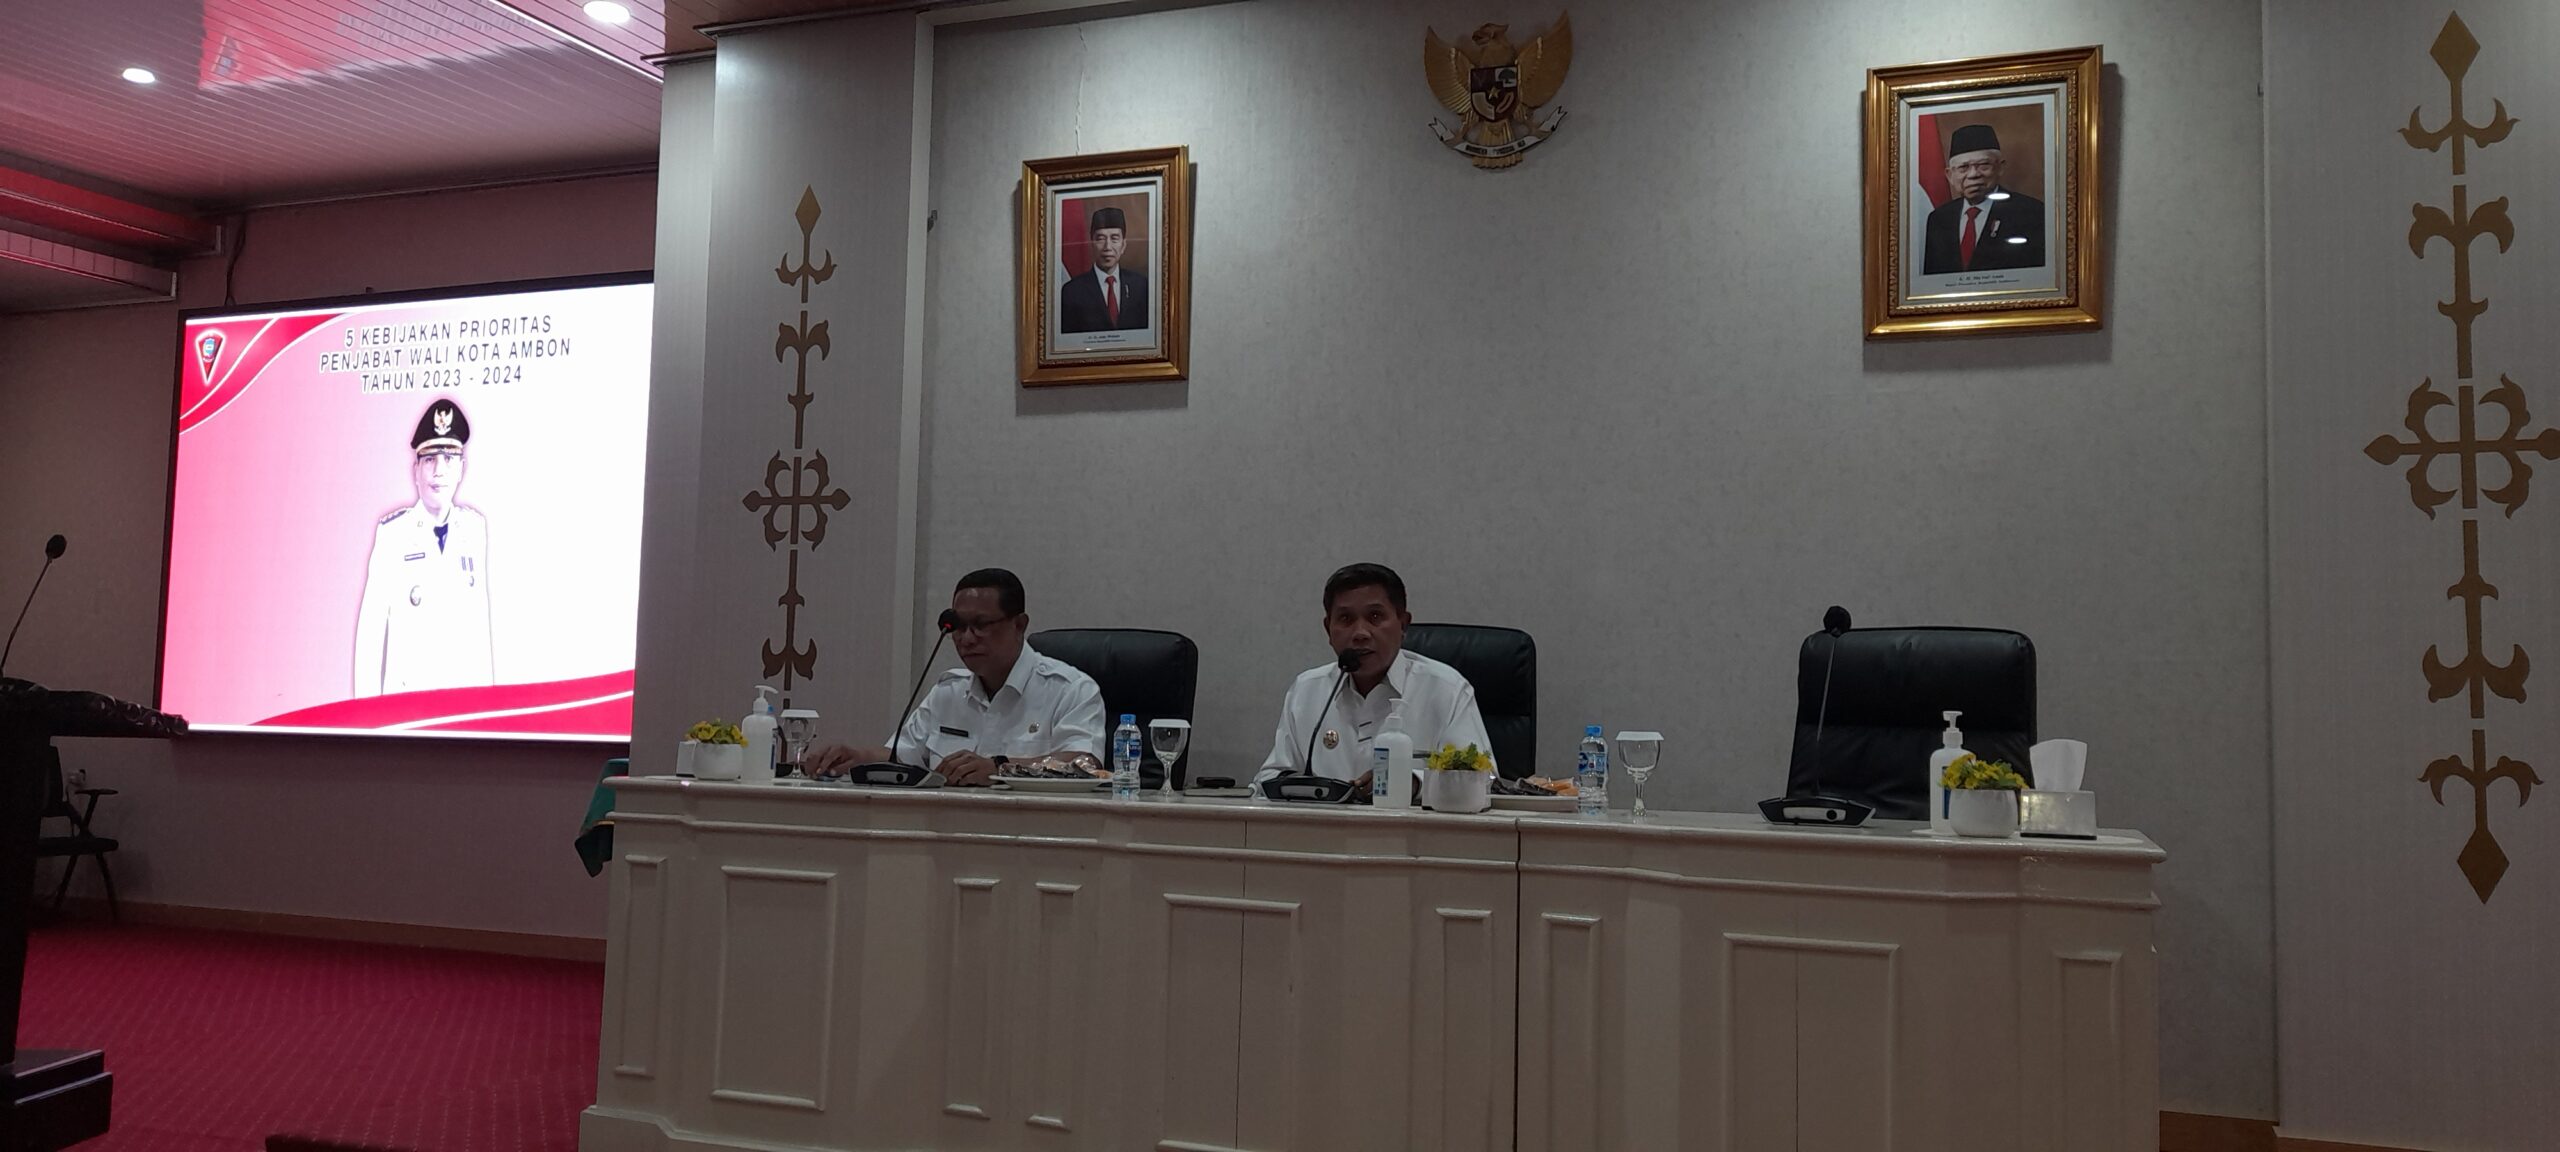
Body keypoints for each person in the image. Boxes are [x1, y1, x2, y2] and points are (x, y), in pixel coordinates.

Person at [805, 569, 1107, 786]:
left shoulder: (1070, 689)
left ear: (1019, 625)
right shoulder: (948, 691)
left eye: (981, 625)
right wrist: (856, 757)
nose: (966, 638)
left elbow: (1085, 764)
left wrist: (999, 768)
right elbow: (902, 756)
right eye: (958, 627)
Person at [1261, 563, 1492, 789]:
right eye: (1346, 619)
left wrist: (1414, 784)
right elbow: (1269, 777)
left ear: (1403, 625)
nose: (1360, 633)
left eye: (1374, 616)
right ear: (1328, 629)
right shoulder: (1307, 690)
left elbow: (1484, 781)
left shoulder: (1446, 689)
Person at [354, 397, 494, 696]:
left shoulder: (474, 530)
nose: (439, 471)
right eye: (429, 459)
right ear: (415, 470)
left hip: (460, 702)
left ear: (461, 469)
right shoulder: (393, 534)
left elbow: (480, 629)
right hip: (408, 707)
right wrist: (365, 716)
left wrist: (486, 710)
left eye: (449, 459)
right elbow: (370, 635)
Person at [1921, 123, 2047, 274]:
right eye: (1963, 168)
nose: (1973, 174)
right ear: (1950, 175)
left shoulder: (2031, 212)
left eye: (1983, 165)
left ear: (2000, 167)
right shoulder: (1938, 219)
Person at [1058, 206, 1150, 333]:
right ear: (1092, 244)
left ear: (1123, 245)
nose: (1108, 247)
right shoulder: (1071, 292)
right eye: (1101, 239)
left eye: (1114, 238)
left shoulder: (1141, 286)